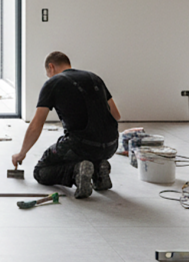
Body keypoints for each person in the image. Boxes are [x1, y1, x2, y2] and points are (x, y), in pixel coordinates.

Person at [11, 51, 121, 198]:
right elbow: (116, 115)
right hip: (111, 145)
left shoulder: (53, 83)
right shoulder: (94, 77)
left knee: (41, 171)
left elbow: (36, 125)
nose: (49, 77)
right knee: (90, 151)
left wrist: (21, 153)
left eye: (48, 73)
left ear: (51, 67)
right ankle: (99, 170)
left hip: (80, 145)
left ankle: (76, 172)